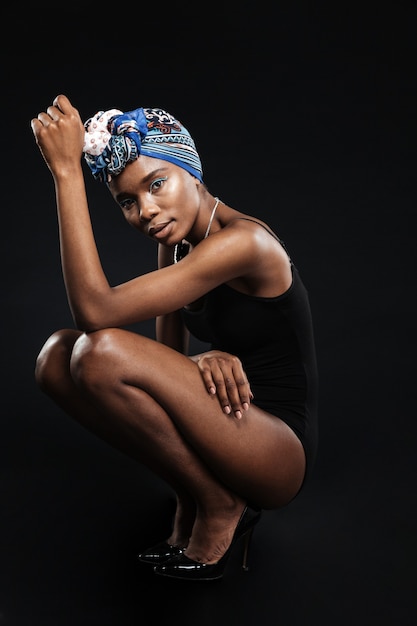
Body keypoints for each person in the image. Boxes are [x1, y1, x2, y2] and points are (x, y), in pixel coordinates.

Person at [30, 94, 319, 582]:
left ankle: (222, 503)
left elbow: (96, 312)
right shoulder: (180, 243)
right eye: (128, 201)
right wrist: (206, 358)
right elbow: (164, 368)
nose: (146, 210)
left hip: (278, 451)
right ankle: (195, 491)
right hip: (224, 420)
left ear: (193, 171)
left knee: (97, 351)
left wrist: (66, 174)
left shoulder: (245, 242)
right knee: (57, 358)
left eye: (157, 184)